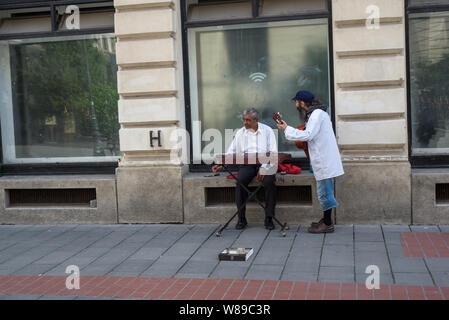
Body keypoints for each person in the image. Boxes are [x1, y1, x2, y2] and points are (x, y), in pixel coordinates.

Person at [277, 90, 344, 233]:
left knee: (325, 192)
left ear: (302, 102)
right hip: (323, 159)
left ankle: (327, 224)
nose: (296, 105)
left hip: (324, 160)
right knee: (325, 190)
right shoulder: (316, 114)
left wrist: (286, 128)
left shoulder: (317, 115)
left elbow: (308, 135)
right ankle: (326, 220)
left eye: (296, 102)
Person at [212, 108, 278, 230]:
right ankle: (241, 219)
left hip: (265, 163)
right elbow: (231, 151)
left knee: (269, 181)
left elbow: (273, 152)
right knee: (240, 181)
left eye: (248, 120)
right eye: (243, 120)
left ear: (256, 120)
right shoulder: (240, 133)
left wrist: (264, 168)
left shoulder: (267, 131)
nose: (245, 123)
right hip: (247, 164)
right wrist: (222, 164)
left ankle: (269, 218)